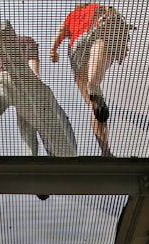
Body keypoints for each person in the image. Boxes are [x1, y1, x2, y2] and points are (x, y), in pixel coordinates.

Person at [0, 21, 77, 158]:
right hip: (22, 81)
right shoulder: (27, 41)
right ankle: (30, 155)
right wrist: (34, 84)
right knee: (35, 124)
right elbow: (32, 64)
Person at [50, 4, 133, 157]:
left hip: (76, 49)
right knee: (100, 47)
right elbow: (112, 16)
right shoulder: (97, 7)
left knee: (91, 106)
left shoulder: (71, 15)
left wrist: (53, 50)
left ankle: (105, 149)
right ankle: (94, 86)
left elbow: (61, 31)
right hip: (98, 35)